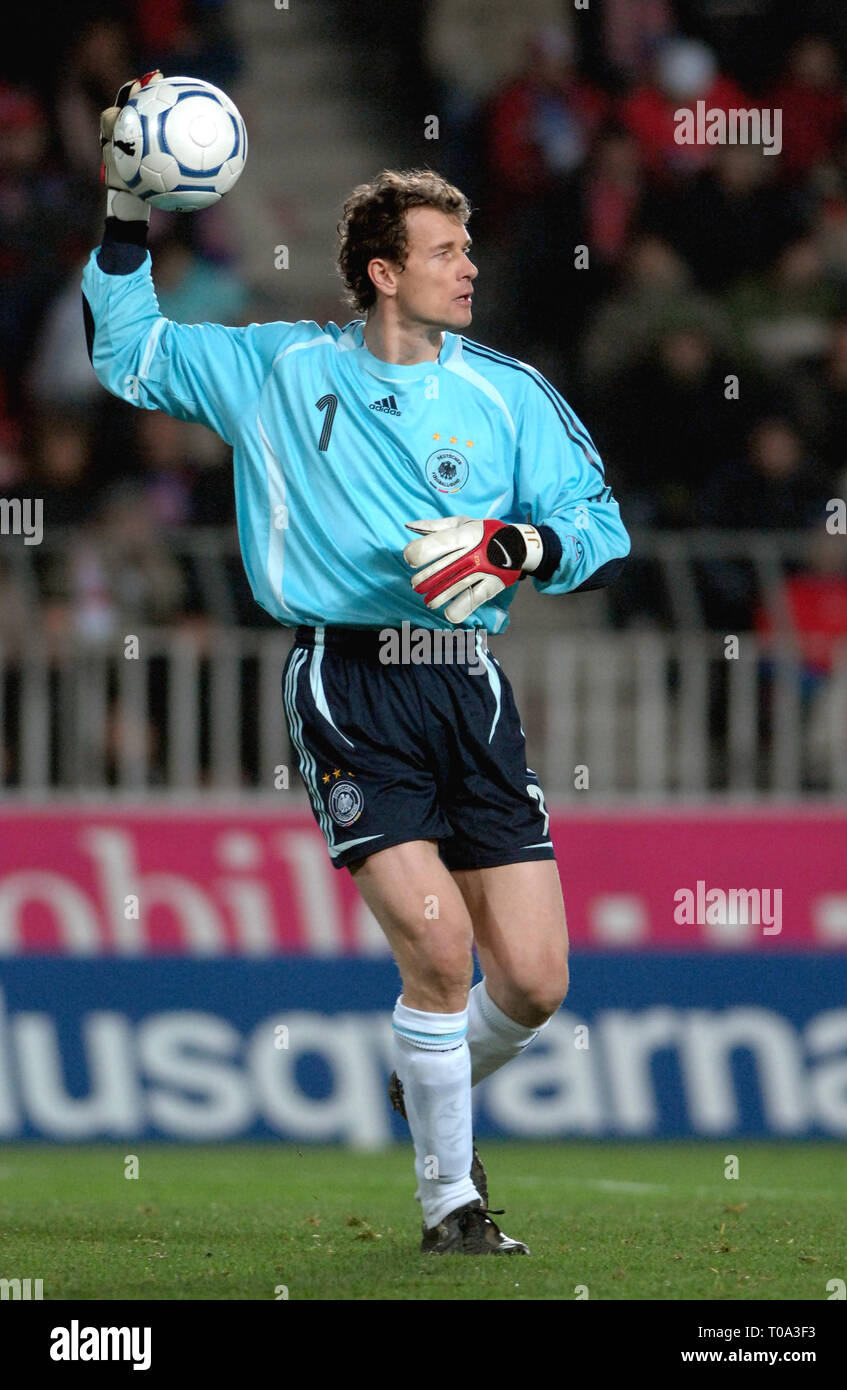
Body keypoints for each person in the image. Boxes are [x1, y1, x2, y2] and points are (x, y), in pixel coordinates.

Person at [83, 73, 631, 1255]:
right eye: (442, 252)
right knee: (436, 948)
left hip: (466, 684)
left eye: (467, 248)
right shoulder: (277, 370)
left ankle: (424, 1082)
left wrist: (520, 542)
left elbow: (598, 529)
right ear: (382, 273)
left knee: (533, 982)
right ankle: (451, 1204)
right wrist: (127, 209)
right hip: (347, 681)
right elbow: (126, 351)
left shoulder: (507, 394)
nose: (467, 269)